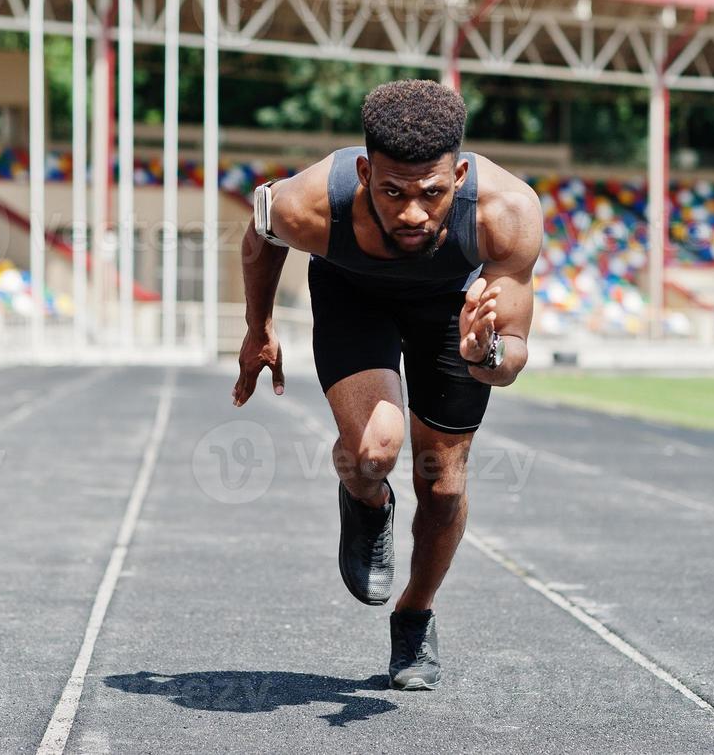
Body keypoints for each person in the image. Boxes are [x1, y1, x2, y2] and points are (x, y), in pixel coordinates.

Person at [231, 78, 541, 690]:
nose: (411, 213)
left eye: (430, 193)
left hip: (451, 309)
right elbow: (260, 233)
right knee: (373, 451)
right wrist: (258, 327)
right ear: (366, 171)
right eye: (392, 191)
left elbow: (511, 359)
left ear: (458, 177)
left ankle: (415, 615)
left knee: (444, 488)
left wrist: (486, 353)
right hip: (353, 295)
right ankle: (367, 500)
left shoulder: (507, 213)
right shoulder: (308, 203)